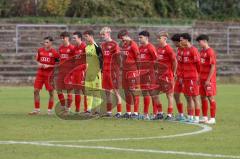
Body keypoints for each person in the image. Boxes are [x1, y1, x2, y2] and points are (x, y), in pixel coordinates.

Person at [29, 36, 59, 115]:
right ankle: (36, 110)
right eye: (44, 42)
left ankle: (49, 110)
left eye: (47, 42)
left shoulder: (55, 53)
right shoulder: (40, 50)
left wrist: (49, 66)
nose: (45, 44)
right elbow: (37, 60)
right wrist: (38, 64)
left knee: (51, 93)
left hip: (49, 75)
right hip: (40, 74)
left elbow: (58, 65)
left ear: (51, 43)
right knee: (35, 91)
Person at [100, 27, 122, 117]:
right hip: (105, 71)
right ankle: (109, 112)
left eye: (103, 34)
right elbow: (103, 58)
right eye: (101, 35)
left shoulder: (114, 44)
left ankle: (119, 112)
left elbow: (118, 58)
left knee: (116, 92)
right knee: (107, 92)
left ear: (108, 34)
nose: (102, 36)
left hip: (113, 71)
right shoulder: (103, 45)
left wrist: (117, 69)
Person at [117, 29, 140, 118]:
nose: (121, 40)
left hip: (132, 71)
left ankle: (136, 113)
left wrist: (138, 70)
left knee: (134, 91)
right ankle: (128, 112)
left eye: (122, 38)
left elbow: (138, 58)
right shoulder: (123, 45)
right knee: (126, 92)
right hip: (124, 71)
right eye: (120, 39)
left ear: (126, 35)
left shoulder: (133, 44)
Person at [155, 31, 177, 120]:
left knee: (169, 95)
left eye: (159, 38)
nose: (157, 39)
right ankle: (160, 113)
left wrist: (174, 72)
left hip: (167, 75)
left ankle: (170, 114)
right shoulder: (158, 49)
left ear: (164, 38)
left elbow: (175, 61)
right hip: (159, 75)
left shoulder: (168, 49)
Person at [138, 30, 159, 119]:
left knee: (152, 93)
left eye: (141, 37)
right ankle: (146, 114)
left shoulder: (150, 47)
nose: (139, 39)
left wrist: (155, 71)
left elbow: (156, 60)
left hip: (150, 74)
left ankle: (155, 113)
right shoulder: (140, 48)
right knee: (144, 93)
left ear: (146, 38)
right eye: (139, 37)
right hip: (142, 74)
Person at [180, 33, 201, 123]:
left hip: (193, 77)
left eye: (182, 40)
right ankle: (190, 116)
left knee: (195, 97)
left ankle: (196, 117)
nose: (180, 41)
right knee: (188, 97)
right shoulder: (184, 51)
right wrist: (181, 76)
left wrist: (199, 77)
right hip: (185, 78)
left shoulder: (193, 50)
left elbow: (198, 64)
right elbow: (182, 65)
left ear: (187, 40)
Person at [196, 34, 217, 124]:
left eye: (199, 42)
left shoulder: (210, 52)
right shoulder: (201, 52)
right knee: (202, 97)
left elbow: (213, 66)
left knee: (210, 97)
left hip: (209, 79)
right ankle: (205, 117)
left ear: (204, 41)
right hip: (202, 78)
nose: (199, 43)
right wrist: (199, 77)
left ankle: (212, 118)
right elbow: (200, 66)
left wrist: (208, 80)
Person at [83, 30, 103, 114]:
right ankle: (88, 110)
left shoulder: (97, 47)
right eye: (85, 37)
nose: (85, 38)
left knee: (96, 92)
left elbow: (102, 59)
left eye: (87, 36)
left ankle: (97, 110)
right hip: (88, 73)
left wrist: (100, 70)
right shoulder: (86, 47)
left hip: (96, 73)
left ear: (91, 36)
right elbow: (87, 61)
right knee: (88, 92)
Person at [56, 31, 75, 114]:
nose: (62, 39)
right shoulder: (60, 48)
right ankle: (63, 106)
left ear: (67, 38)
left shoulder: (72, 48)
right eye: (61, 38)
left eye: (63, 38)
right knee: (58, 90)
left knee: (69, 91)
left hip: (69, 73)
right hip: (61, 72)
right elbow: (59, 59)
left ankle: (68, 109)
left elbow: (75, 60)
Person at [71, 31, 87, 113]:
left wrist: (85, 73)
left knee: (84, 91)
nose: (73, 39)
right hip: (75, 73)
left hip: (82, 72)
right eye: (73, 38)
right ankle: (77, 109)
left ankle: (86, 110)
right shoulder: (74, 48)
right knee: (76, 91)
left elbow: (88, 61)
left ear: (80, 38)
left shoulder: (84, 47)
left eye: (75, 38)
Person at [171, 33, 186, 121]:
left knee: (189, 97)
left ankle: (194, 116)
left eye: (174, 42)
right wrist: (176, 73)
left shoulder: (187, 50)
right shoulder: (178, 49)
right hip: (178, 76)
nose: (174, 44)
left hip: (186, 76)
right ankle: (181, 114)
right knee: (176, 95)